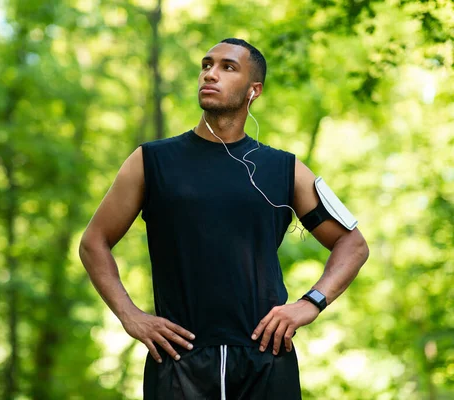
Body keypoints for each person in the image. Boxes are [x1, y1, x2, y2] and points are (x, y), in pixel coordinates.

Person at [79, 38, 369, 400]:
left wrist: (310, 303)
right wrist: (130, 315)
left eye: (227, 67)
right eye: (206, 65)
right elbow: (94, 242)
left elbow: (352, 244)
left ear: (254, 90)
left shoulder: (285, 169)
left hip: (265, 359)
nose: (210, 74)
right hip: (177, 360)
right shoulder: (151, 161)